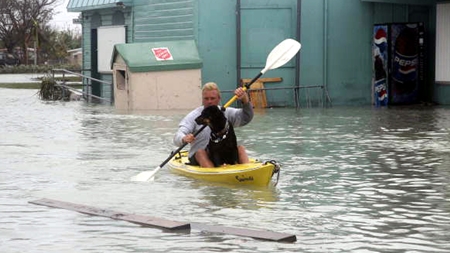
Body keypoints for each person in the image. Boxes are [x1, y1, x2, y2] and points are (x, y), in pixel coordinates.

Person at [173, 82, 253, 167]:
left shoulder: (225, 112)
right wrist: (183, 138)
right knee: (201, 152)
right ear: (202, 100)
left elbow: (246, 117)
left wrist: (245, 100)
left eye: (212, 98)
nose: (209, 102)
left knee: (240, 148)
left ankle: (249, 173)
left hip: (222, 155)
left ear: (219, 99)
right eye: (206, 99)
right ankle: (212, 176)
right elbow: (178, 135)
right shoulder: (194, 116)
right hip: (199, 157)